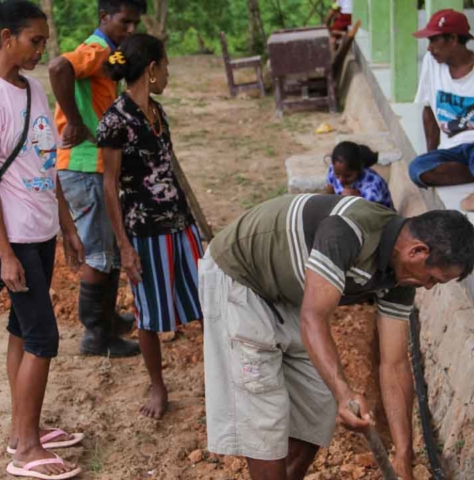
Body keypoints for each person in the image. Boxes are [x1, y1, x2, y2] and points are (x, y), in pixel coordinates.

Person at [200, 193, 474, 480]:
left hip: (288, 292)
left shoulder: (401, 277)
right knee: (263, 413)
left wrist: (404, 454)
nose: (429, 288)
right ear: (417, 251)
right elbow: (313, 318)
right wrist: (344, 392)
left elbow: (394, 363)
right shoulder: (346, 231)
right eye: (433, 278)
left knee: (317, 405)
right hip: (241, 278)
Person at [0, 2, 85, 478]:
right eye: (35, 40)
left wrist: (68, 227)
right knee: (42, 336)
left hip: (40, 230)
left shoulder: (32, 89)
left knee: (21, 328)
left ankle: (22, 430)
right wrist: (6, 253)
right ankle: (27, 450)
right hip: (10, 237)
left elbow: (44, 164)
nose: (42, 49)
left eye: (44, 41)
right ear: (7, 37)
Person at [99, 34, 203, 419]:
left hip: (180, 224)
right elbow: (109, 187)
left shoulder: (157, 113)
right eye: (167, 65)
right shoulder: (115, 121)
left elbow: (169, 170)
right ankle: (157, 385)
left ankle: (222, 375)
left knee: (207, 298)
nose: (169, 73)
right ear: (152, 69)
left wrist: (195, 221)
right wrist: (124, 247)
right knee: (149, 313)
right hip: (144, 232)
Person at [48, 0, 146, 358]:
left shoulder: (110, 53)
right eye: (125, 22)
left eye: (136, 24)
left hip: (94, 164)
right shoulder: (96, 49)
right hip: (85, 165)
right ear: (105, 18)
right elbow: (58, 67)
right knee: (100, 253)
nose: (130, 30)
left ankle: (106, 319)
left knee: (105, 247)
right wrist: (74, 121)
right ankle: (96, 335)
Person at [408, 9, 474, 211]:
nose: (429, 49)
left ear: (453, 39)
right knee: (417, 169)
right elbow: (428, 109)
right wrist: (433, 153)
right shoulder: (432, 63)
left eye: (434, 41)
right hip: (452, 150)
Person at [325, 141, 394, 210]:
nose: (341, 180)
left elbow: (374, 214)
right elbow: (330, 191)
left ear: (360, 169)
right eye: (337, 175)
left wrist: (357, 199)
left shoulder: (372, 186)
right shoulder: (334, 170)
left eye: (348, 176)